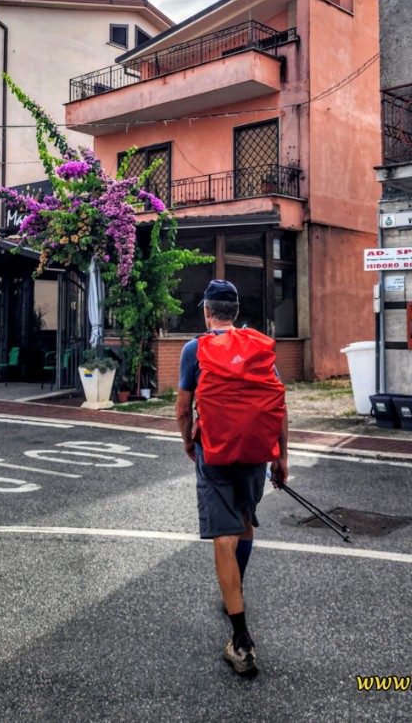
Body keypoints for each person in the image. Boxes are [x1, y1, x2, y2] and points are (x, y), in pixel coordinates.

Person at [176, 279, 288, 677]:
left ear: (206, 311)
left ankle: (240, 639)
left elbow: (182, 408)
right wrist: (281, 457)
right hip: (256, 453)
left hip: (215, 451)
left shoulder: (195, 349)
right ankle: (234, 591)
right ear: (236, 313)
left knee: (222, 535)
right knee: (244, 523)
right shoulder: (260, 347)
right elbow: (279, 402)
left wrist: (189, 443)